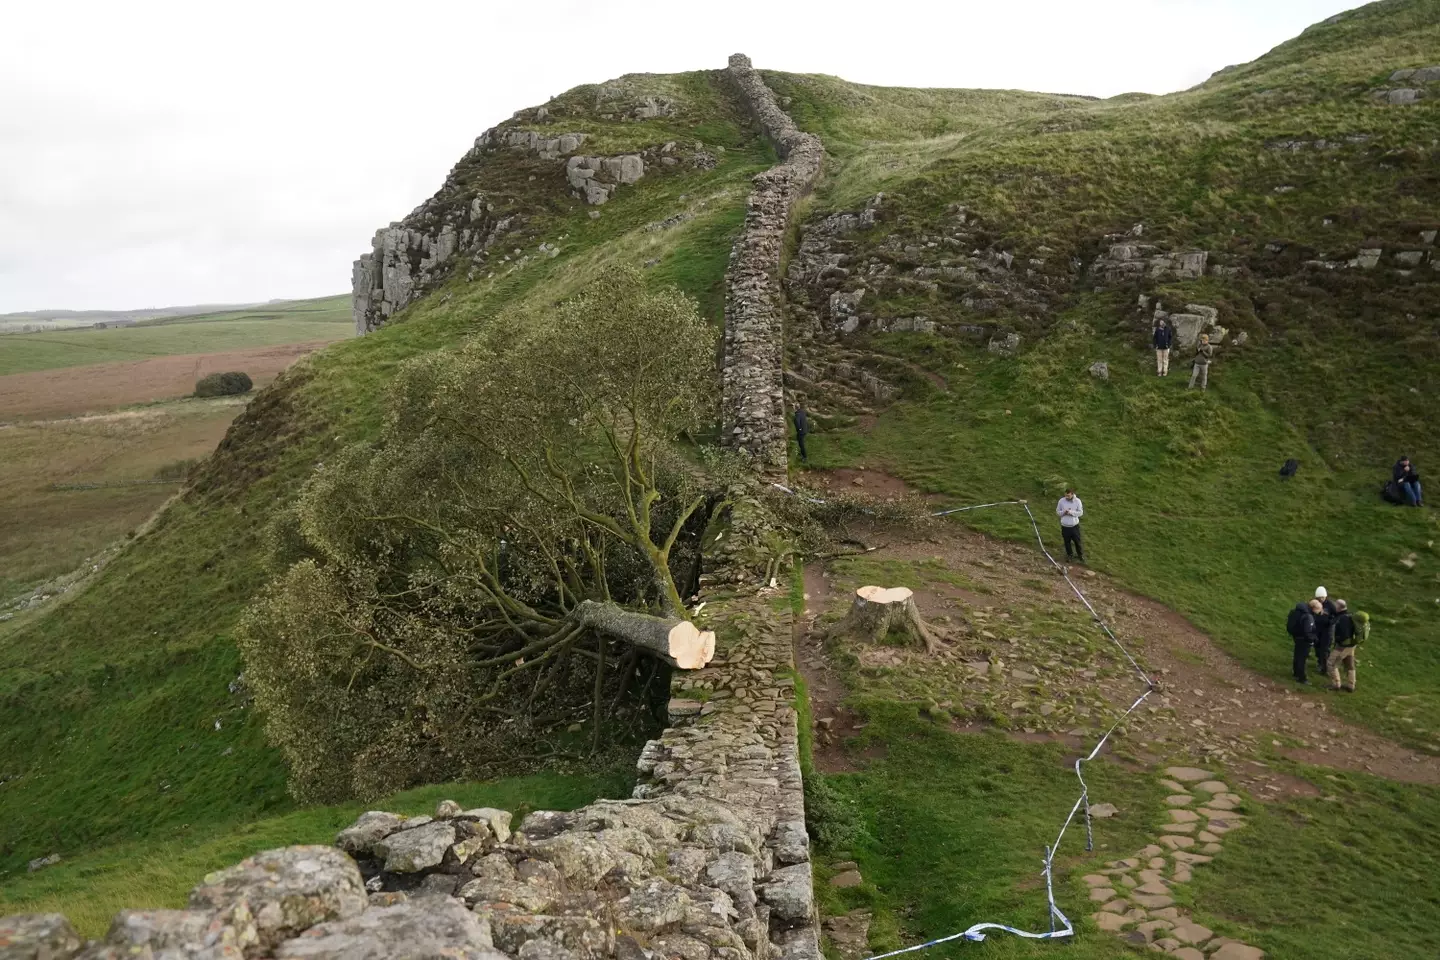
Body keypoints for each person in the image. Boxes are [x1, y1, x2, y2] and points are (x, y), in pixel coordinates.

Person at [1326, 599, 1367, 692]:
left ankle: (1336, 684)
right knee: (1349, 664)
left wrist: (1338, 641)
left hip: (1343, 646)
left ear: (1339, 607)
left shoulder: (1343, 619)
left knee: (1331, 663)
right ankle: (1351, 685)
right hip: (1352, 645)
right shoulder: (1351, 615)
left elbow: (1343, 634)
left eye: (1335, 605)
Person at [1286, 598, 1321, 684]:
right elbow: (1307, 632)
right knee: (1302, 659)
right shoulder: (1309, 617)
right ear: (1315, 609)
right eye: (1319, 610)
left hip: (1297, 637)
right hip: (1304, 640)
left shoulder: (1301, 611)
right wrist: (1314, 639)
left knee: (1297, 656)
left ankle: (1295, 673)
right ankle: (1302, 678)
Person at [1056, 488, 1085, 563]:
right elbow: (1058, 512)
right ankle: (1070, 555)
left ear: (1072, 494)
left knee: (1077, 541)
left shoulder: (1077, 501)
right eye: (1065, 495)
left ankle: (1080, 555)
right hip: (1065, 526)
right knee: (1067, 542)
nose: (1066, 497)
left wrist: (1071, 512)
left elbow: (1080, 513)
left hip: (1074, 526)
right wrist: (1064, 512)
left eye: (1068, 496)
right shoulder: (1061, 501)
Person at [1313, 586, 1337, 677]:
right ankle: (1320, 662)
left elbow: (1337, 616)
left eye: (1322, 597)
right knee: (1317, 646)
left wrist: (1331, 622)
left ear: (1326, 596)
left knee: (1325, 648)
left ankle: (1326, 667)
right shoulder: (1315, 603)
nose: (1321, 599)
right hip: (1317, 629)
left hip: (1327, 630)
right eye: (1319, 598)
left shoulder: (1330, 605)